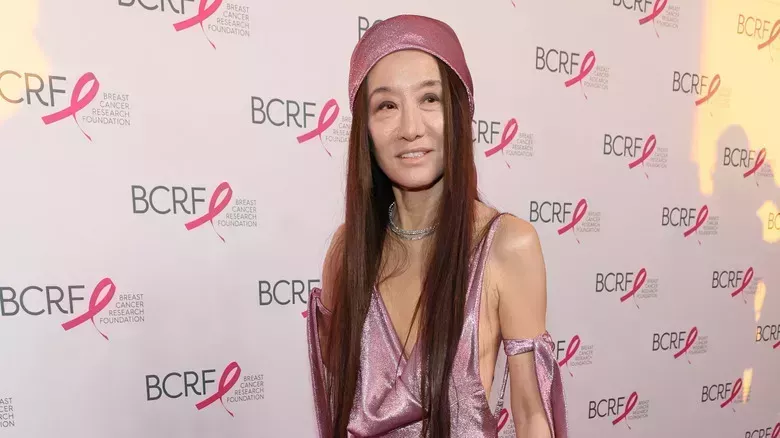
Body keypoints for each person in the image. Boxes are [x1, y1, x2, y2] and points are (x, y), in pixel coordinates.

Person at [306, 14, 568, 438]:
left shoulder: (507, 245)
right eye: (387, 105)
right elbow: (337, 401)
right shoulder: (345, 252)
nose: (411, 129)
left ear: (460, 112)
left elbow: (531, 411)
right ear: (365, 129)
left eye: (430, 99)